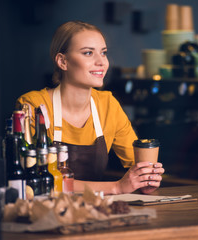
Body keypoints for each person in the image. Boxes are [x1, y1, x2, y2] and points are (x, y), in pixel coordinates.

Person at [16, 20, 164, 195]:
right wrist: (116, 187)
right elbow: (38, 179)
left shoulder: (108, 105)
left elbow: (136, 165)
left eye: (104, 53)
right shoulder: (33, 105)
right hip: (47, 214)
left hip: (94, 210)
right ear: (62, 61)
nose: (101, 62)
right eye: (88, 53)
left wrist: (146, 179)